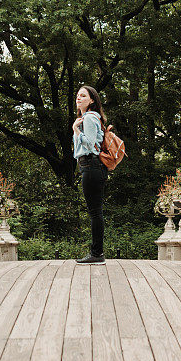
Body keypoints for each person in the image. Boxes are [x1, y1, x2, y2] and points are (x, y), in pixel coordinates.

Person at [72, 85, 108, 264]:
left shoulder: (89, 118)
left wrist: (76, 130)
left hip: (92, 166)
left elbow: (90, 145)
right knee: (95, 211)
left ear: (91, 100)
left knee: (95, 212)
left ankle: (97, 254)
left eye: (83, 96)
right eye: (78, 95)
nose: (78, 98)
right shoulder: (87, 118)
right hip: (91, 167)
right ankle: (97, 252)